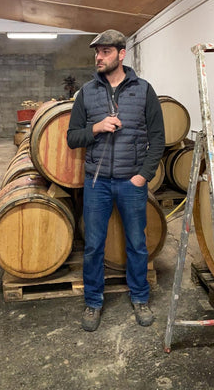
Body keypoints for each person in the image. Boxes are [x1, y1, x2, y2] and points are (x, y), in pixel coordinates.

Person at [67, 29, 165, 332]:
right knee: (94, 245)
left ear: (122, 54)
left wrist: (142, 176)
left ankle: (140, 297)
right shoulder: (86, 93)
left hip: (130, 182)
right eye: (97, 52)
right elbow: (72, 138)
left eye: (106, 51)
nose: (99, 57)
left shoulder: (144, 90)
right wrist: (95, 127)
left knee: (137, 244)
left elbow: (158, 139)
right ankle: (94, 302)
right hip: (97, 183)